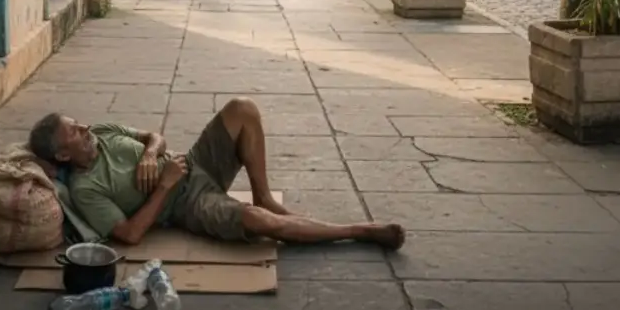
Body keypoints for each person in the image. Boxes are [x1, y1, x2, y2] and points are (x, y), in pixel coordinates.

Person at [28, 98, 406, 250]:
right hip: (187, 203)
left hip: (194, 163)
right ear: (63, 154)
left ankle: (263, 194)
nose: (84, 128)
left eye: (78, 123)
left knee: (242, 108)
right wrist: (164, 186)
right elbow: (129, 235)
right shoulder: (86, 188)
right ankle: (358, 231)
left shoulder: (103, 132)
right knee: (258, 222)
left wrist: (151, 154)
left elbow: (154, 136)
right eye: (74, 131)